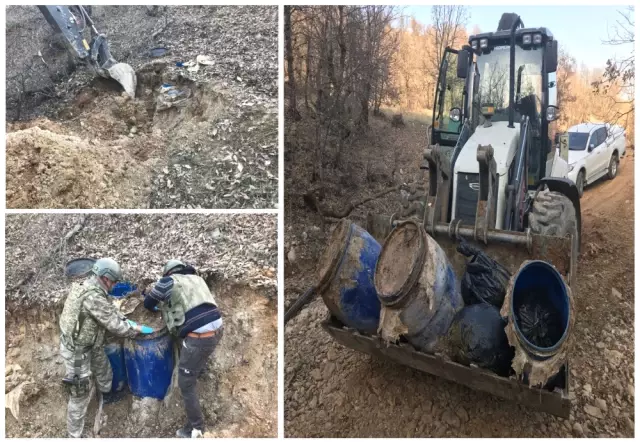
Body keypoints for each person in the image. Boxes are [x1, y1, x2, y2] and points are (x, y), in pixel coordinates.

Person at [59, 257, 153, 438]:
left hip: (91, 344)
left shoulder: (92, 286)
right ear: (106, 278)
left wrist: (128, 321)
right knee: (79, 394)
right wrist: (136, 331)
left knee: (104, 372)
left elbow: (109, 308)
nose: (115, 284)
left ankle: (106, 398)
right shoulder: (92, 296)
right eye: (114, 281)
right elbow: (115, 325)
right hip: (77, 352)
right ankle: (74, 434)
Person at [143, 259, 223, 438]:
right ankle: (196, 371)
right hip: (217, 329)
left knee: (185, 382)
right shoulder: (197, 279)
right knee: (193, 367)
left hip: (200, 338)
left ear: (168, 273)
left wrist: (155, 303)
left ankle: (196, 429)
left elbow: (148, 303)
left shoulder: (168, 282)